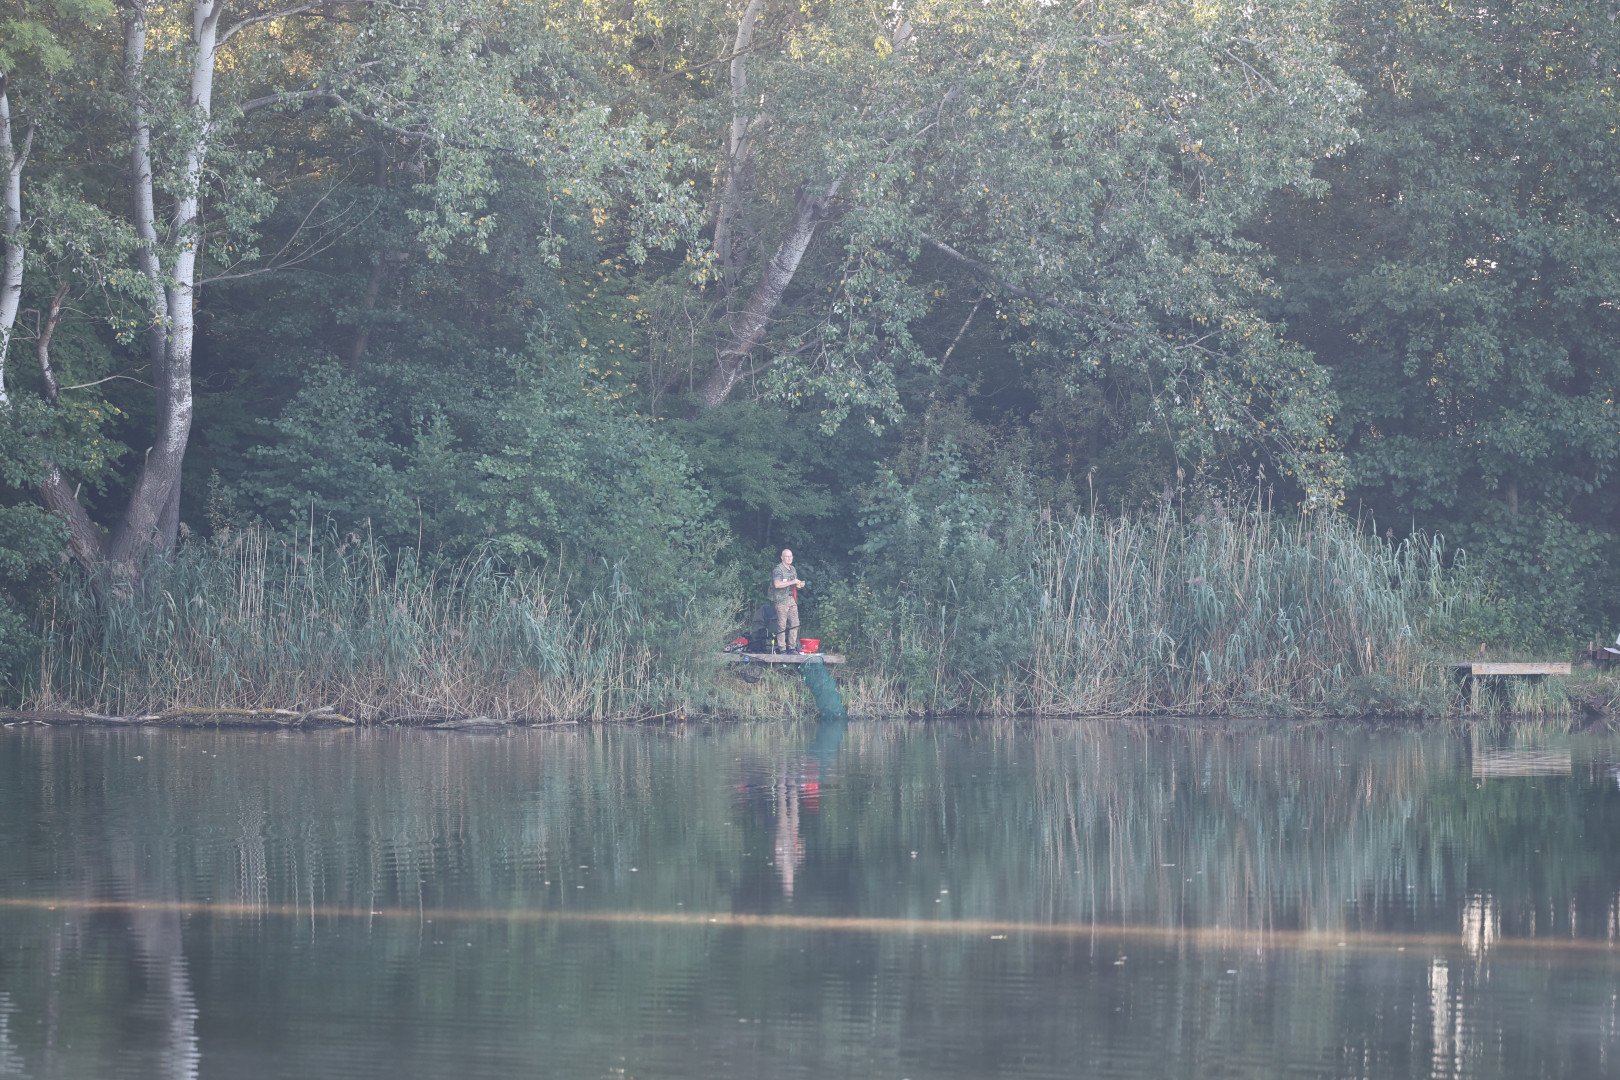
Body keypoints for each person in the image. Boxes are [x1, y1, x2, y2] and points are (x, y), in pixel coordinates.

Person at [768, 549, 806, 653]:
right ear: (782, 558)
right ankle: (782, 649)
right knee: (782, 626)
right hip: (781, 601)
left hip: (792, 599)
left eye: (791, 556)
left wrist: (800, 585)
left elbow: (794, 585)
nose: (789, 558)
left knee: (795, 624)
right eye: (787, 556)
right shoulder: (778, 570)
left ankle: (792, 648)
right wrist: (792, 581)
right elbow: (777, 584)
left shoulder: (792, 569)